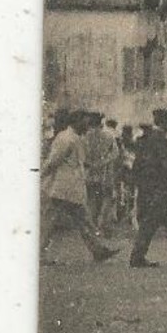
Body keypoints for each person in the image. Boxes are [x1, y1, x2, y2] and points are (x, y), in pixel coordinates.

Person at [41, 110, 120, 263]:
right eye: (85, 121)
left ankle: (98, 250)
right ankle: (38, 254)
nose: (88, 125)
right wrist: (42, 176)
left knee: (83, 221)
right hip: (62, 188)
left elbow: (80, 162)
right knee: (50, 222)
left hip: (72, 188)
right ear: (76, 121)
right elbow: (53, 161)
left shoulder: (75, 138)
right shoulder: (66, 138)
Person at [128, 109, 167, 267]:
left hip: (148, 187)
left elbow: (137, 165)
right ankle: (138, 257)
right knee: (155, 221)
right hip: (159, 188)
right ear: (165, 123)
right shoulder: (161, 141)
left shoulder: (146, 139)